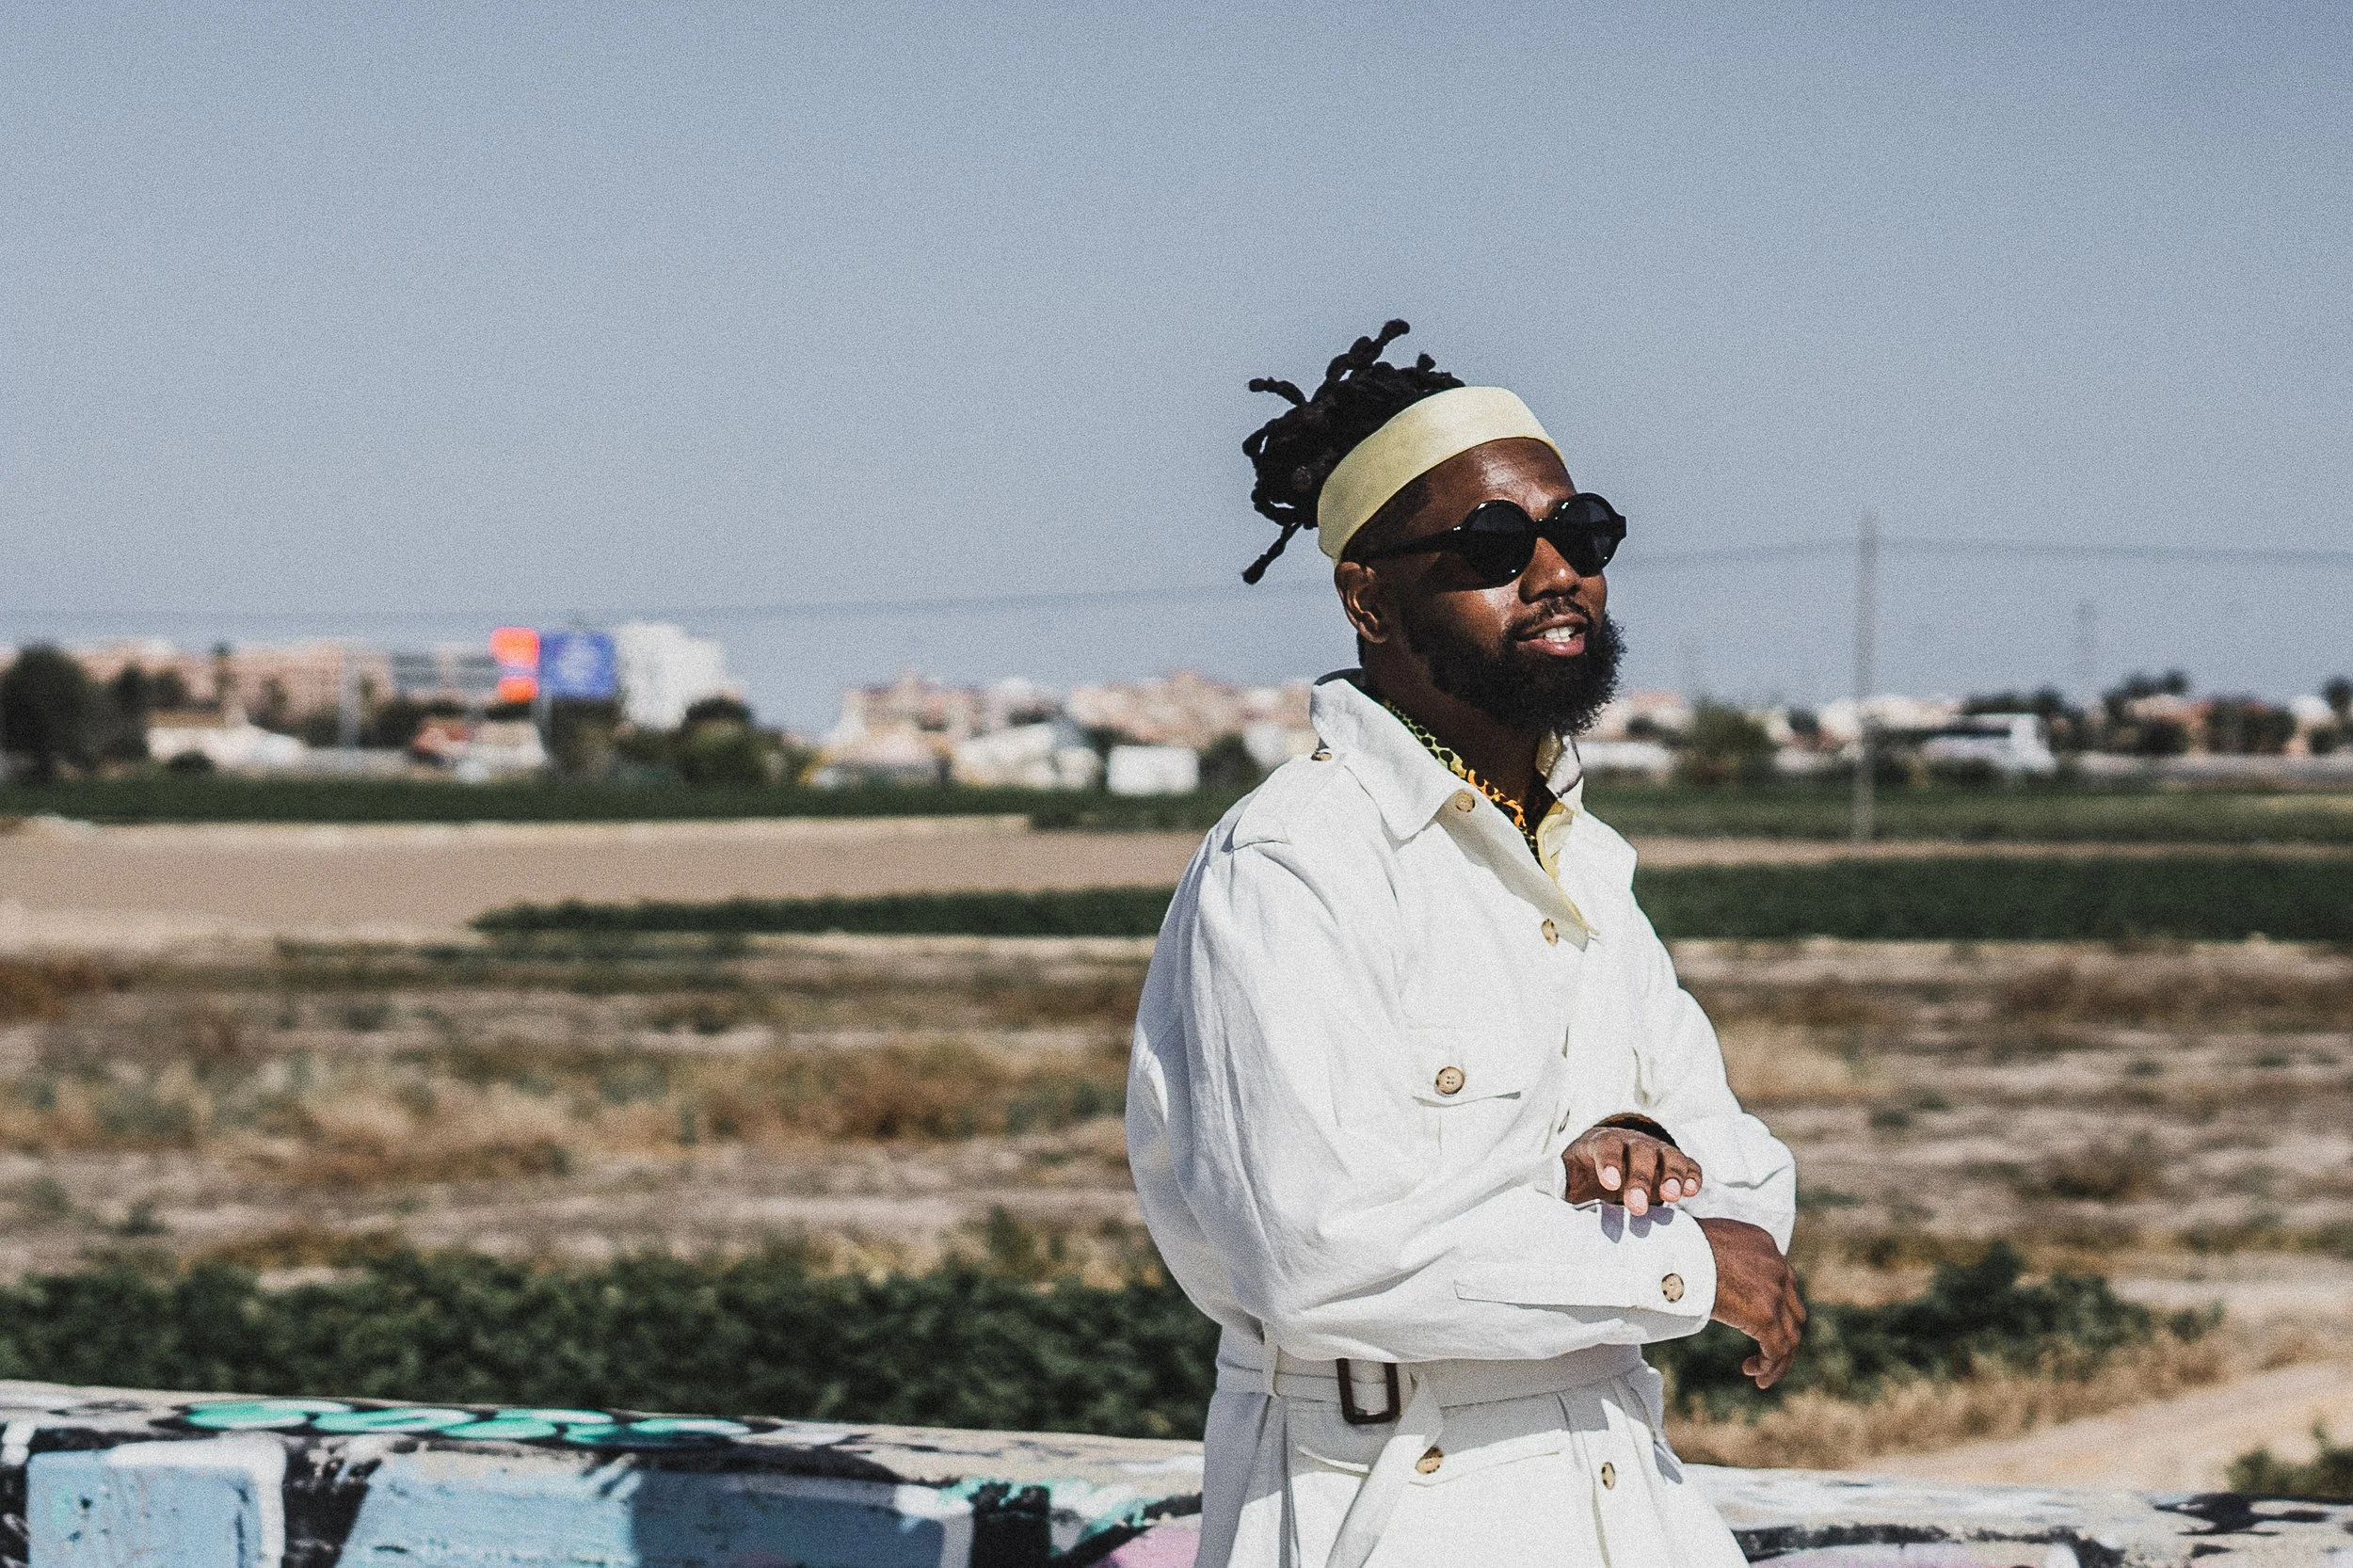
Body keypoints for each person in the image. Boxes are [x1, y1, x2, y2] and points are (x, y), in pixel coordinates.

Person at [1127, 321, 1804, 1568]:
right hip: (1385, 1498)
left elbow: (1751, 1179)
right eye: (1495, 545)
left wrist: (1649, 1153)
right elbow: (1324, 1253)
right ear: (1367, 593)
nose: (1558, 569)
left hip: (1622, 1490)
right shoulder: (1295, 863)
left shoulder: (1581, 860)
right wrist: (1653, 1244)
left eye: (1581, 530)